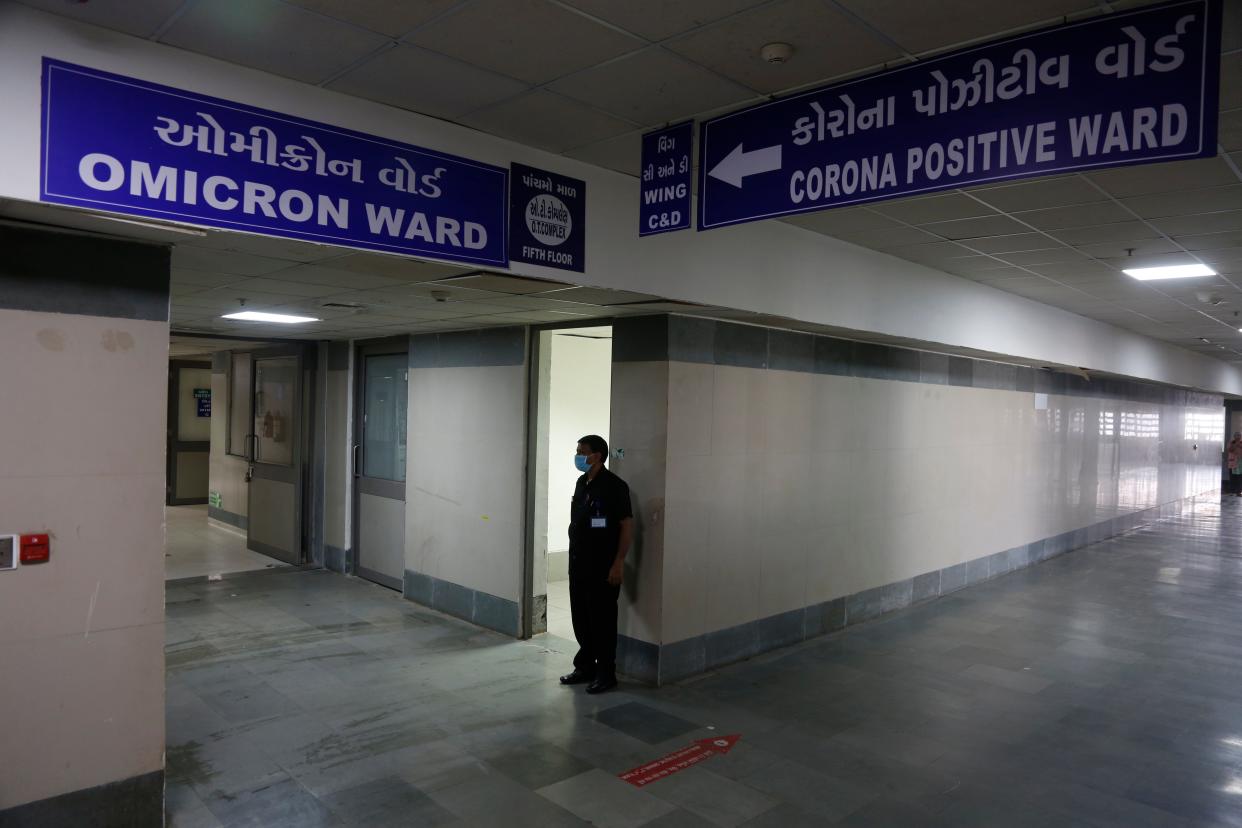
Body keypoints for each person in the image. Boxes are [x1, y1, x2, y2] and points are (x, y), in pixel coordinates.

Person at [559, 434, 633, 694]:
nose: (578, 456)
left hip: (603, 567)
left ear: (597, 455)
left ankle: (606, 673)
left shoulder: (615, 486)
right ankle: (585, 667)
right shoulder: (582, 482)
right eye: (577, 451)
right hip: (579, 564)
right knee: (581, 618)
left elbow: (626, 526)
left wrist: (618, 563)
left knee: (602, 620)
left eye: (582, 452)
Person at [1228, 432, 1242, 497]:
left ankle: (1239, 492)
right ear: (1234, 437)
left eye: (1240, 436)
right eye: (1237, 436)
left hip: (1240, 463)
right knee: (1232, 477)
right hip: (1233, 463)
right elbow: (1230, 449)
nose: (1239, 437)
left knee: (1239, 478)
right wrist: (1236, 444)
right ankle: (1231, 491)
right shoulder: (1231, 442)